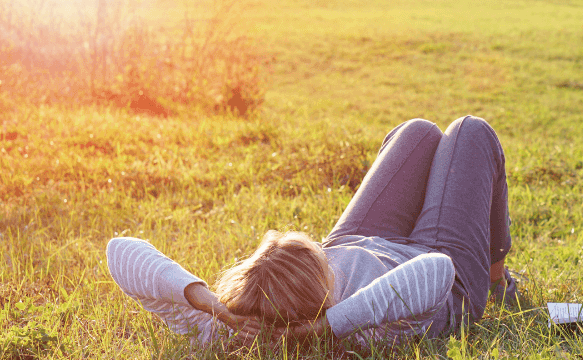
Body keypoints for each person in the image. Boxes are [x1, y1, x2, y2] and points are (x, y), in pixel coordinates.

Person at [106, 116, 518, 348]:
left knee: (417, 133)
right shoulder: (363, 331)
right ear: (321, 287)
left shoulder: (232, 327)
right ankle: (497, 278)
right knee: (469, 131)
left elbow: (120, 251)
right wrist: (330, 326)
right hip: (435, 262)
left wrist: (216, 307)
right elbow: (437, 270)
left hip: (358, 240)